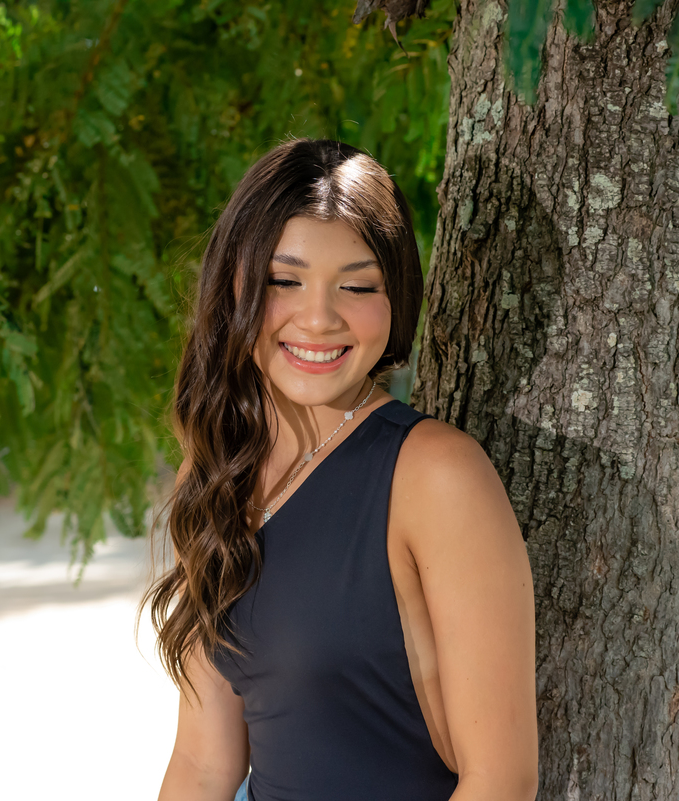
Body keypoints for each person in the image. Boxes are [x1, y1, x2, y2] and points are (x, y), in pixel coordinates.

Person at [145, 138, 537, 801]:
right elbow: (203, 764)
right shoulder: (214, 473)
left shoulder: (435, 475)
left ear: (395, 298)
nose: (319, 318)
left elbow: (501, 781)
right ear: (235, 284)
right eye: (285, 281)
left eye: (356, 286)